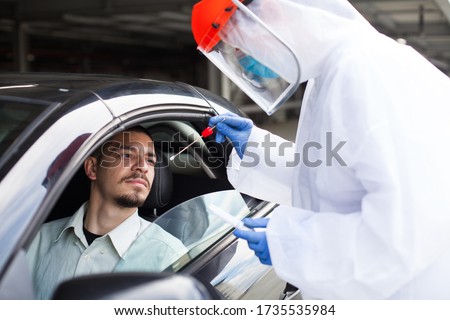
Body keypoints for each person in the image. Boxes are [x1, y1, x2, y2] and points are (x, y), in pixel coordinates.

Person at [191, 0, 450, 299]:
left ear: (271, 11)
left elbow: (410, 225)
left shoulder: (367, 70)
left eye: (238, 48)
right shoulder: (332, 72)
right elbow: (330, 175)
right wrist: (255, 146)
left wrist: (293, 244)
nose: (245, 61)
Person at [27, 126, 187, 299]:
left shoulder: (169, 256)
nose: (143, 167)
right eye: (127, 155)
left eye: (150, 161)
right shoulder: (36, 240)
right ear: (93, 169)